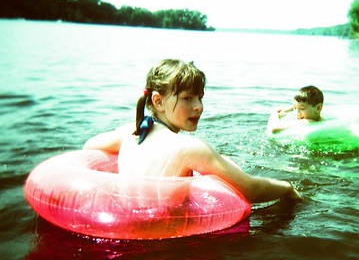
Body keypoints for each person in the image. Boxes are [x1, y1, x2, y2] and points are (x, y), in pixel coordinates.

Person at [83, 58, 301, 204]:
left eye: (200, 98)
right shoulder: (189, 148)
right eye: (188, 98)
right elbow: (252, 190)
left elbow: (90, 146)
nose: (199, 107)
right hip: (169, 239)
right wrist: (287, 188)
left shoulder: (129, 133)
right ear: (158, 101)